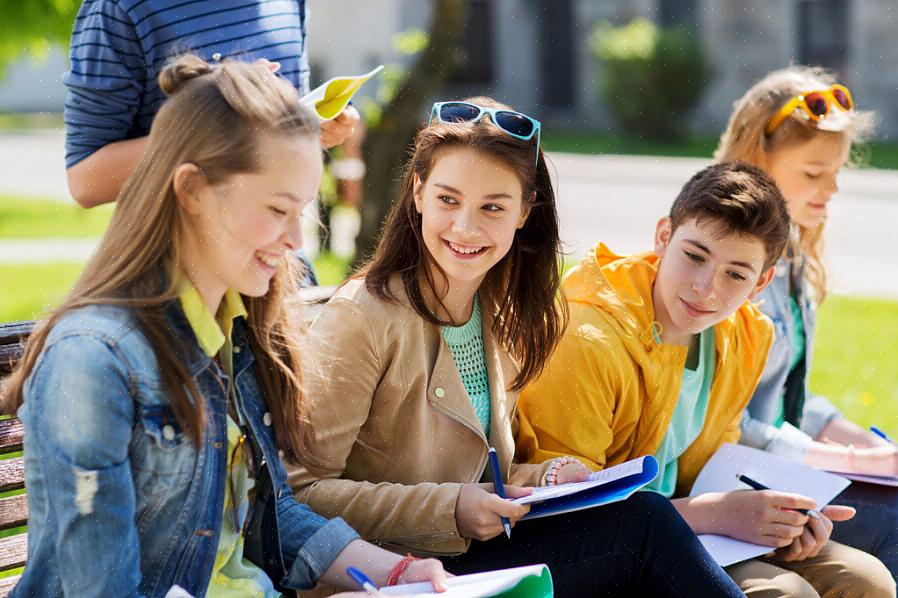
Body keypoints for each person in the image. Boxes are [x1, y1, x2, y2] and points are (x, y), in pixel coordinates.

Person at [3, 55, 446, 598]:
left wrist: (397, 573)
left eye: (301, 211)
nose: (296, 241)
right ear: (191, 191)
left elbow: (269, 515)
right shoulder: (93, 362)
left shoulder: (239, 327)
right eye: (278, 209)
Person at [287, 97, 745, 597]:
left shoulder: (500, 311)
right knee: (648, 529)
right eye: (447, 200)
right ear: (417, 192)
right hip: (393, 573)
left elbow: (481, 474)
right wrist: (453, 508)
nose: (466, 227)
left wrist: (549, 477)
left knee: (641, 519)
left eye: (492, 207)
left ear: (525, 211)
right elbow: (300, 494)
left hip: (472, 555)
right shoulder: (363, 316)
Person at [515, 161, 895, 597]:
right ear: (663, 237)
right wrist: (720, 514)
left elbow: (715, 459)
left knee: (867, 582)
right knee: (788, 595)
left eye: (736, 274)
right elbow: (570, 513)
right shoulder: (588, 340)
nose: (706, 289)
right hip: (613, 548)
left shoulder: (745, 335)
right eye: (694, 257)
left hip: (698, 526)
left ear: (761, 282)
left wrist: (782, 518)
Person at [714, 66, 898, 580]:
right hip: (736, 483)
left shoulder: (793, 260)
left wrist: (874, 449)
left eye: (836, 174)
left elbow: (792, 398)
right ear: (756, 164)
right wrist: (857, 464)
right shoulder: (723, 273)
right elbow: (725, 422)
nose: (830, 190)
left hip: (788, 466)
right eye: (813, 174)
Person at [63, 0, 359, 208]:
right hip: (176, 282)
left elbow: (271, 141)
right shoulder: (121, 7)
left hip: (284, 272)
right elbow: (87, 182)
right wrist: (221, 120)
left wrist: (312, 129)